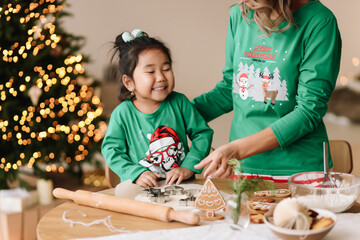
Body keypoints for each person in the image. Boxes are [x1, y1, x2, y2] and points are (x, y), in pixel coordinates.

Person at [193, 0, 342, 181]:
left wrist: (237, 149)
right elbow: (229, 89)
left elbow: (308, 111)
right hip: (242, 168)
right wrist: (174, 113)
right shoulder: (238, 15)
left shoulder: (319, 22)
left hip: (299, 172)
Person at [102, 29, 213, 188]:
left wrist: (188, 167)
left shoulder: (180, 102)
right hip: (140, 191)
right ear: (129, 82)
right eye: (150, 71)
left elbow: (202, 134)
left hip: (182, 187)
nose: (161, 77)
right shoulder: (122, 114)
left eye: (166, 69)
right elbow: (112, 151)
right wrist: (135, 173)